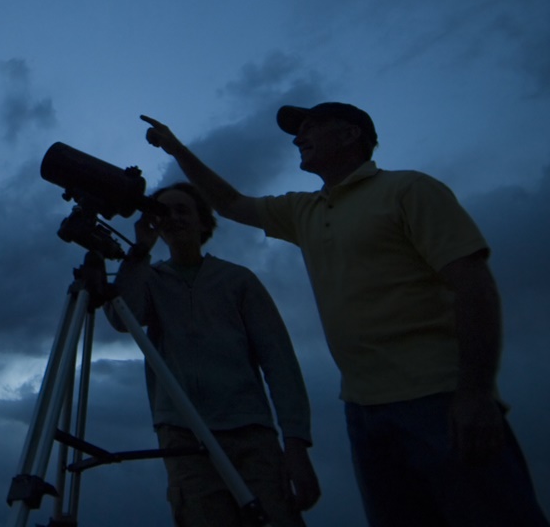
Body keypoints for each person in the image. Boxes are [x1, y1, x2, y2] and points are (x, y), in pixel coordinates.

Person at [141, 103, 549, 527]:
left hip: (440, 399)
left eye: (311, 127)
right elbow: (228, 201)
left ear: (351, 134)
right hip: (364, 410)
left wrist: (476, 393)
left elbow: (473, 283)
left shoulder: (409, 190)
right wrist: (175, 147)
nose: (299, 138)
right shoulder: (305, 210)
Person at [101, 181, 320, 527]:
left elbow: (278, 361)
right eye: (163, 213)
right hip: (183, 435)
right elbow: (121, 317)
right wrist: (139, 252)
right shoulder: (152, 278)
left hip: (250, 433)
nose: (172, 218)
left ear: (204, 222)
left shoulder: (238, 281)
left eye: (182, 210)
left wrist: (296, 443)